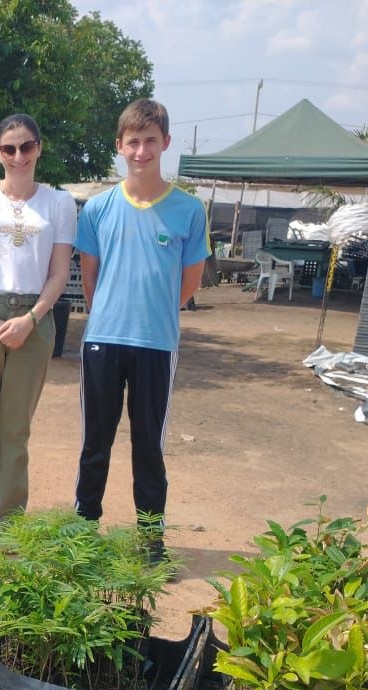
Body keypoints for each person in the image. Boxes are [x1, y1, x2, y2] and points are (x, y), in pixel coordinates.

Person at [74, 99, 209, 559]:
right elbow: (89, 275)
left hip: (156, 343)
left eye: (150, 140)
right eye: (133, 141)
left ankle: (150, 539)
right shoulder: (97, 209)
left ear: (165, 143)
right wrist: (111, 312)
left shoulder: (189, 210)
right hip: (103, 341)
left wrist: (155, 311)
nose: (141, 150)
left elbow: (189, 281)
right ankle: (83, 529)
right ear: (120, 146)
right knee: (96, 441)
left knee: (149, 447)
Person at [0, 114, 77, 549]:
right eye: (9, 148)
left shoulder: (59, 204)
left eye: (26, 146)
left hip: (34, 319)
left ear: (39, 148)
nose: (18, 156)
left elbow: (59, 273)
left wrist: (31, 319)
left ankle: (8, 522)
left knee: (16, 430)